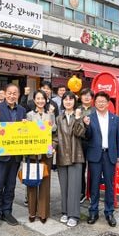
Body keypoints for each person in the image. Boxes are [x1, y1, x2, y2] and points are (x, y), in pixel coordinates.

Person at [83, 91, 119, 227]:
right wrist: (86, 126)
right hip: (95, 155)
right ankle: (93, 211)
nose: (101, 104)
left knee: (109, 185)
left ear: (108, 103)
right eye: (98, 101)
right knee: (94, 184)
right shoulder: (90, 118)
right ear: (95, 103)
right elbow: (87, 137)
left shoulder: (115, 119)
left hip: (109, 155)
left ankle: (109, 212)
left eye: (103, 101)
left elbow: (118, 138)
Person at [0, 83, 26, 228]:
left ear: (18, 95)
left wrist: (25, 125)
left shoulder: (22, 110)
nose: (12, 96)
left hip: (15, 155)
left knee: (11, 185)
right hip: (1, 154)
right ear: (4, 94)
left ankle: (7, 212)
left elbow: (24, 132)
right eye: (9, 93)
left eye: (14, 93)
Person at [56, 93, 86, 227]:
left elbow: (80, 133)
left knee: (74, 187)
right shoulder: (58, 118)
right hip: (62, 154)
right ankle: (65, 212)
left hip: (76, 155)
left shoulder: (79, 116)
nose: (68, 102)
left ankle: (74, 215)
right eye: (65, 99)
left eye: (70, 99)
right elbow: (55, 137)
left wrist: (78, 118)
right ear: (62, 102)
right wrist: (51, 147)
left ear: (75, 101)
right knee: (64, 186)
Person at [25, 90, 56, 223]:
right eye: (37, 98)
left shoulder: (51, 115)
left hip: (47, 152)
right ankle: (32, 212)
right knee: (32, 182)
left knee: (45, 183)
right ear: (34, 100)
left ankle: (43, 213)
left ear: (46, 100)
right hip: (33, 153)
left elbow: (54, 132)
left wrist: (53, 146)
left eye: (42, 98)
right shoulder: (29, 115)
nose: (40, 101)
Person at [78, 88, 94, 201]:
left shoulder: (96, 110)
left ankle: (92, 193)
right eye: (84, 95)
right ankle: (82, 192)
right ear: (81, 97)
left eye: (89, 95)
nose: (87, 97)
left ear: (92, 98)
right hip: (80, 142)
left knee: (93, 169)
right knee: (81, 168)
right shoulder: (77, 109)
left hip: (93, 142)